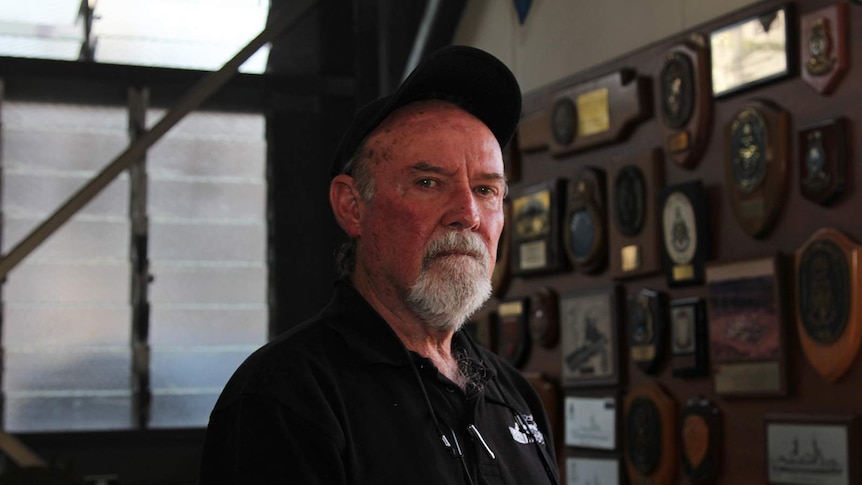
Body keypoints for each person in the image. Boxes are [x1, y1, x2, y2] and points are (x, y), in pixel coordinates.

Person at [199, 45, 559, 485]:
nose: (468, 213)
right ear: (352, 206)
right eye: (429, 182)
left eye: (486, 190)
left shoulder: (516, 396)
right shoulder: (285, 396)